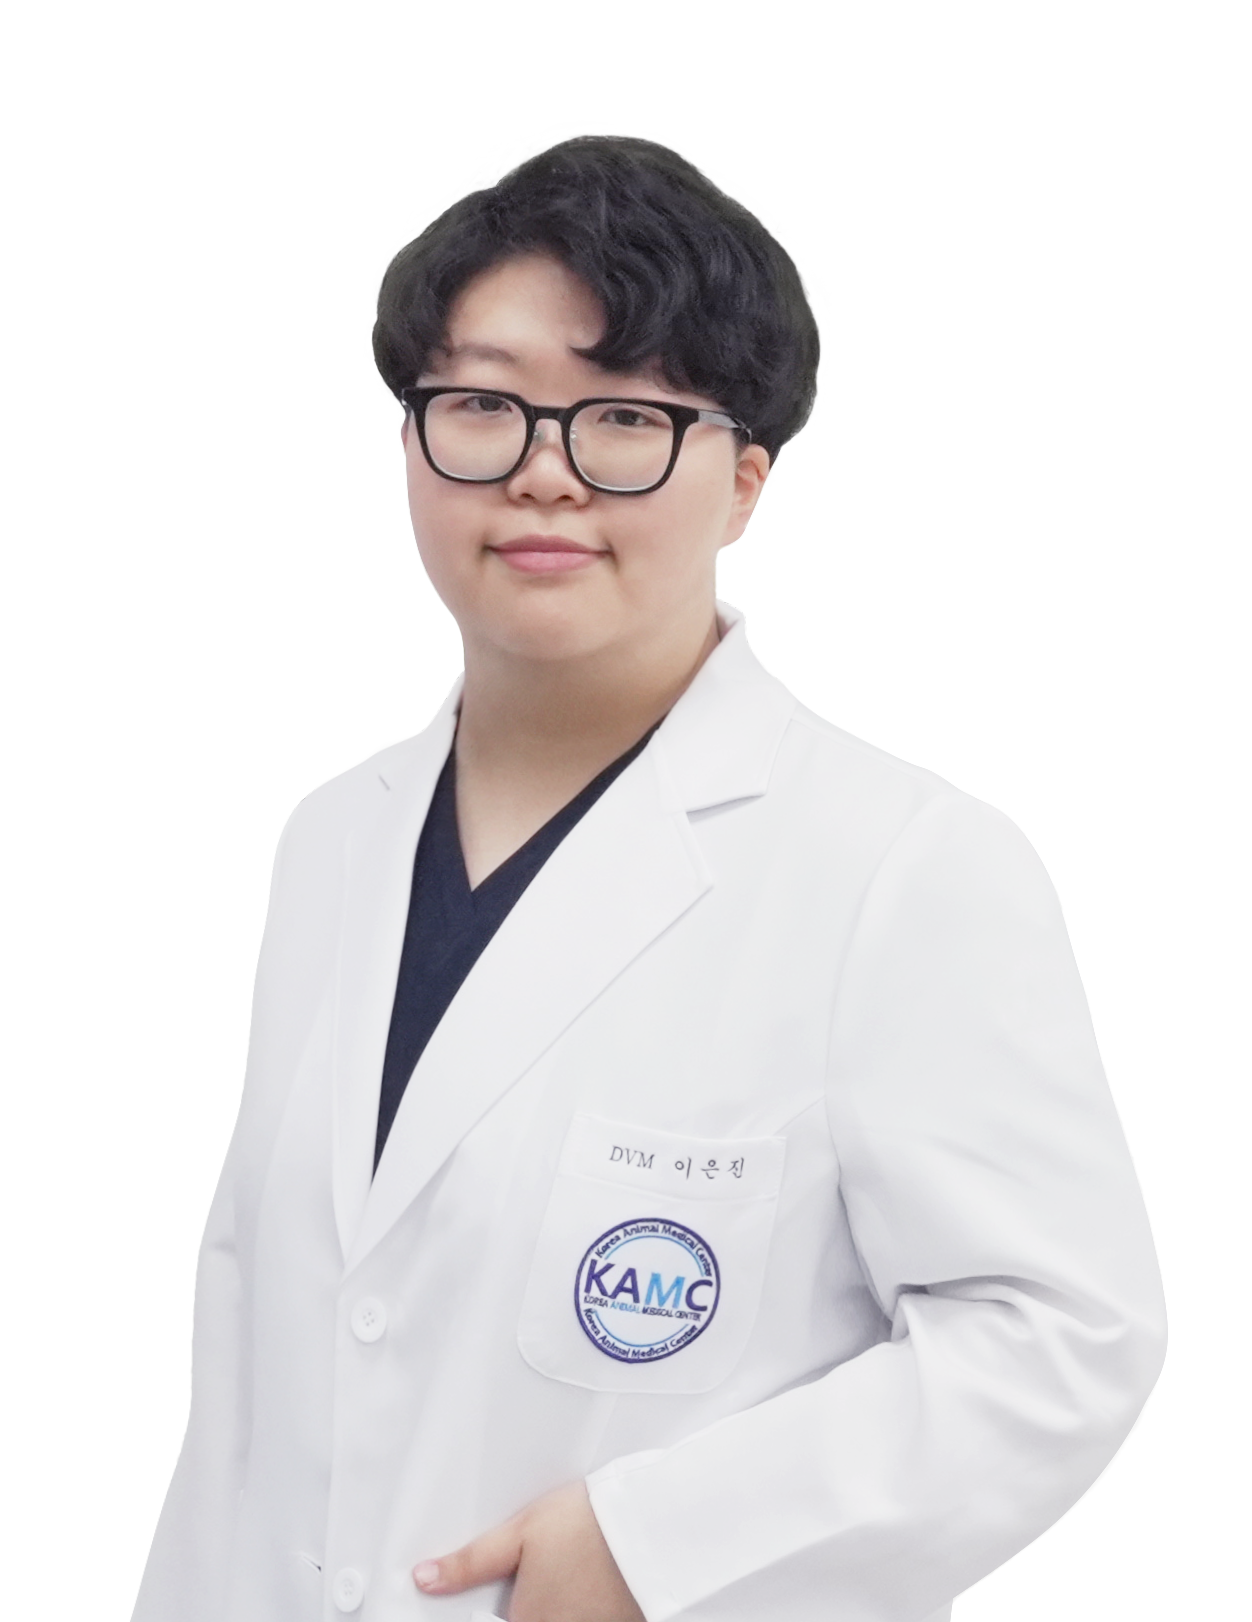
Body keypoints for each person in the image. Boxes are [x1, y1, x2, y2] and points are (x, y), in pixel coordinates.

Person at [133, 127, 1165, 1622]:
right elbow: (257, 1356)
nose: (543, 473)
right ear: (414, 441)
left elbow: (1061, 1338)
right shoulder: (331, 837)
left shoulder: (901, 867)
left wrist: (657, 1540)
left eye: (625, 415)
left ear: (743, 480)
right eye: (482, 404)